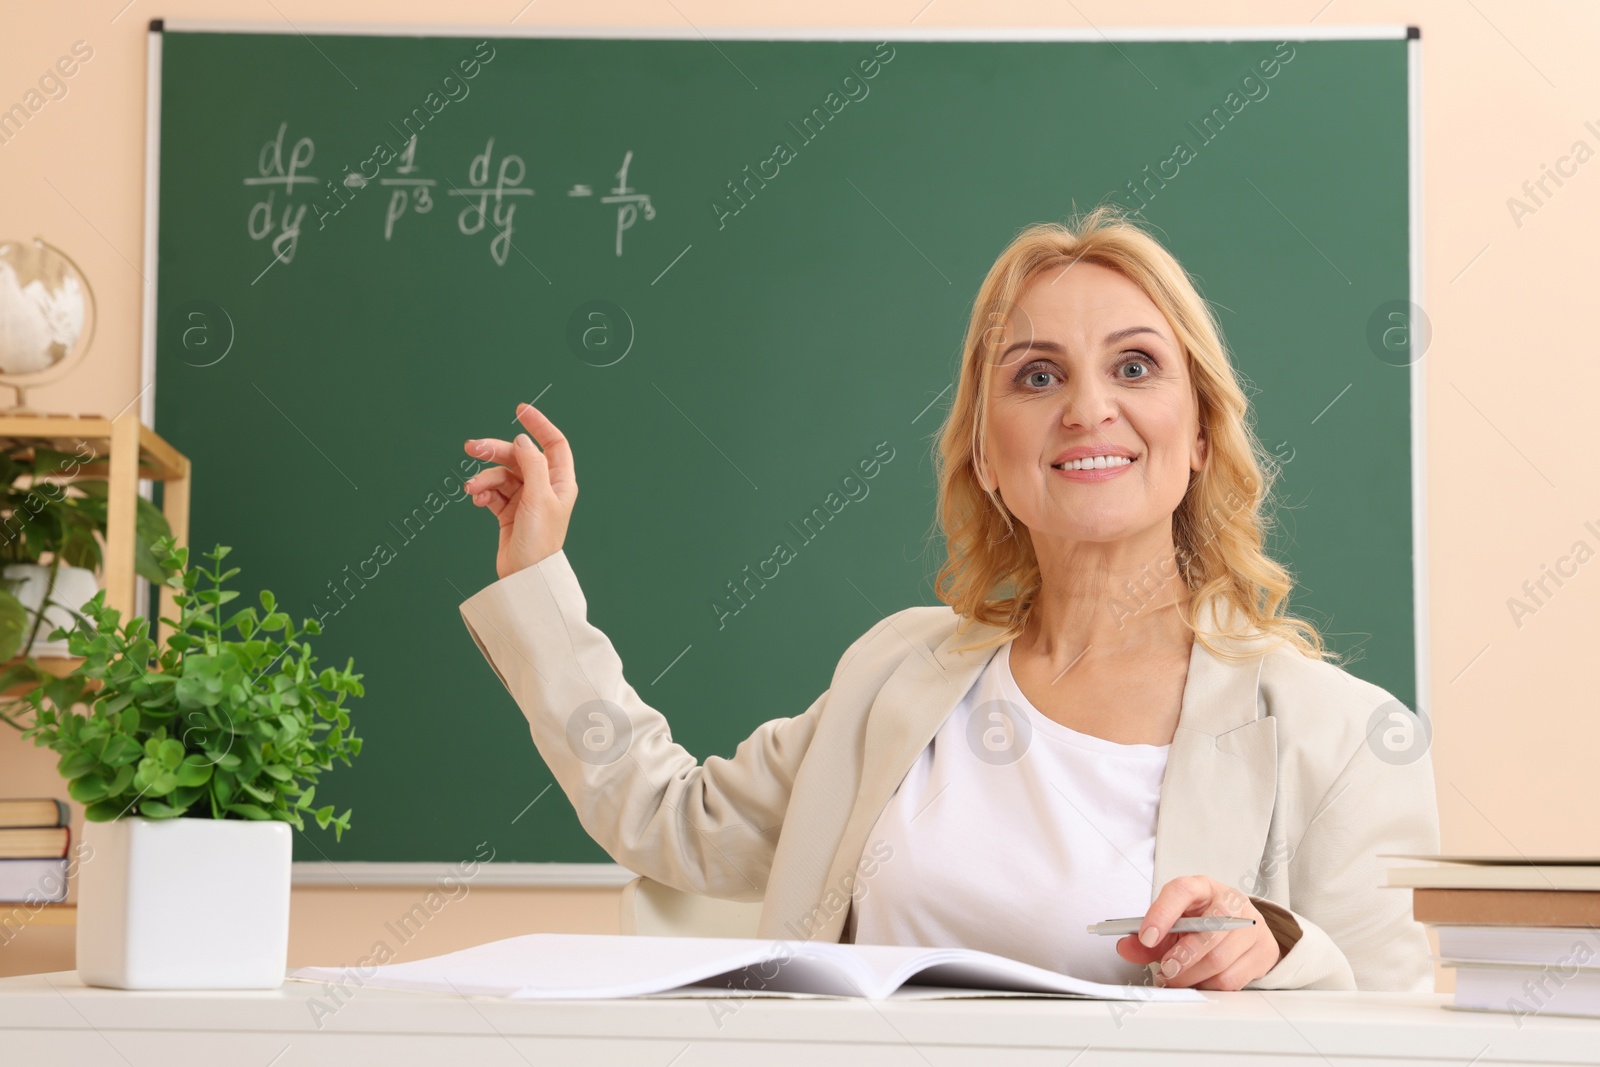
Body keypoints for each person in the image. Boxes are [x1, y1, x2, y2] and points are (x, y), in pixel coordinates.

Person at [457, 204, 1439, 992]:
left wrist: (1275, 949)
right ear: (987, 453)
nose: (1087, 405)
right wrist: (537, 582)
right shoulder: (899, 670)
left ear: (1197, 435)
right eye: (1037, 374)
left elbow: (1406, 1032)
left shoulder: (1340, 735)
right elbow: (668, 817)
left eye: (1134, 366)